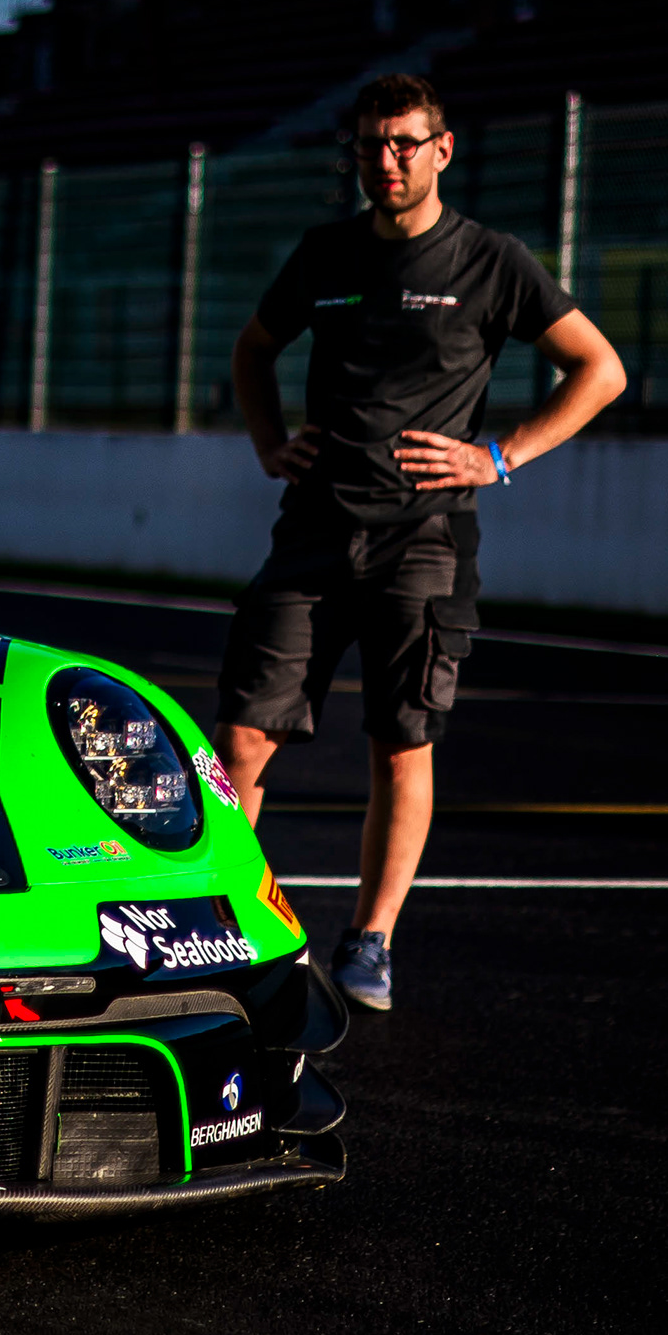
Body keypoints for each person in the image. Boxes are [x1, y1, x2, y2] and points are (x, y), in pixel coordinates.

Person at [216, 72, 628, 1012]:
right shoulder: (324, 254)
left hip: (425, 542)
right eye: (370, 145)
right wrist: (272, 443)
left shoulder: (491, 260)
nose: (387, 161)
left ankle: (371, 939)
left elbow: (600, 369)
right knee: (240, 741)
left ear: (443, 149)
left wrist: (501, 454)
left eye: (405, 143)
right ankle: (235, 924)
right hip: (312, 532)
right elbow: (251, 348)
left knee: (401, 745)